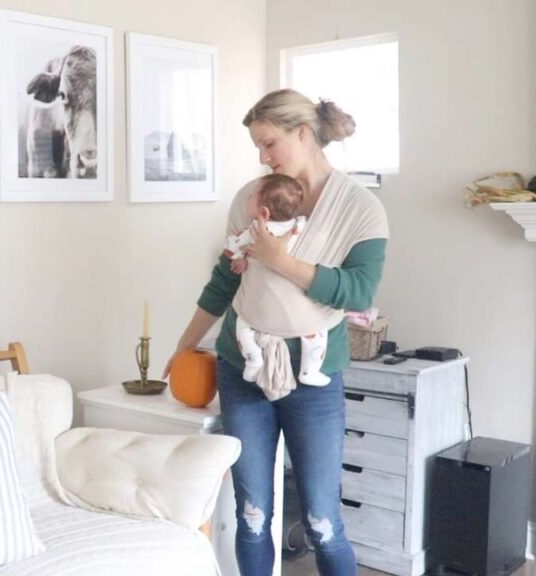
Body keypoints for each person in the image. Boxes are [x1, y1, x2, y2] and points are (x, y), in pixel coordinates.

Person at [164, 88, 389, 576]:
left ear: (303, 133)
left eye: (269, 144)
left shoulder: (361, 208)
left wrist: (281, 261)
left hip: (314, 378)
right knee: (252, 515)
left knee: (323, 520)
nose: (263, 158)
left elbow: (358, 292)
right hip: (242, 367)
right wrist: (183, 347)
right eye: (258, 149)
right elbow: (225, 279)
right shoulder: (252, 198)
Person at [223, 174, 334, 390]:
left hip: (259, 307)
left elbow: (230, 248)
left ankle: (253, 358)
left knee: (242, 325)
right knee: (319, 330)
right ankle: (310, 370)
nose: (247, 199)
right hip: (297, 311)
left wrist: (238, 258)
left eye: (252, 197)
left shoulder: (253, 232)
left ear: (263, 213)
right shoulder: (300, 228)